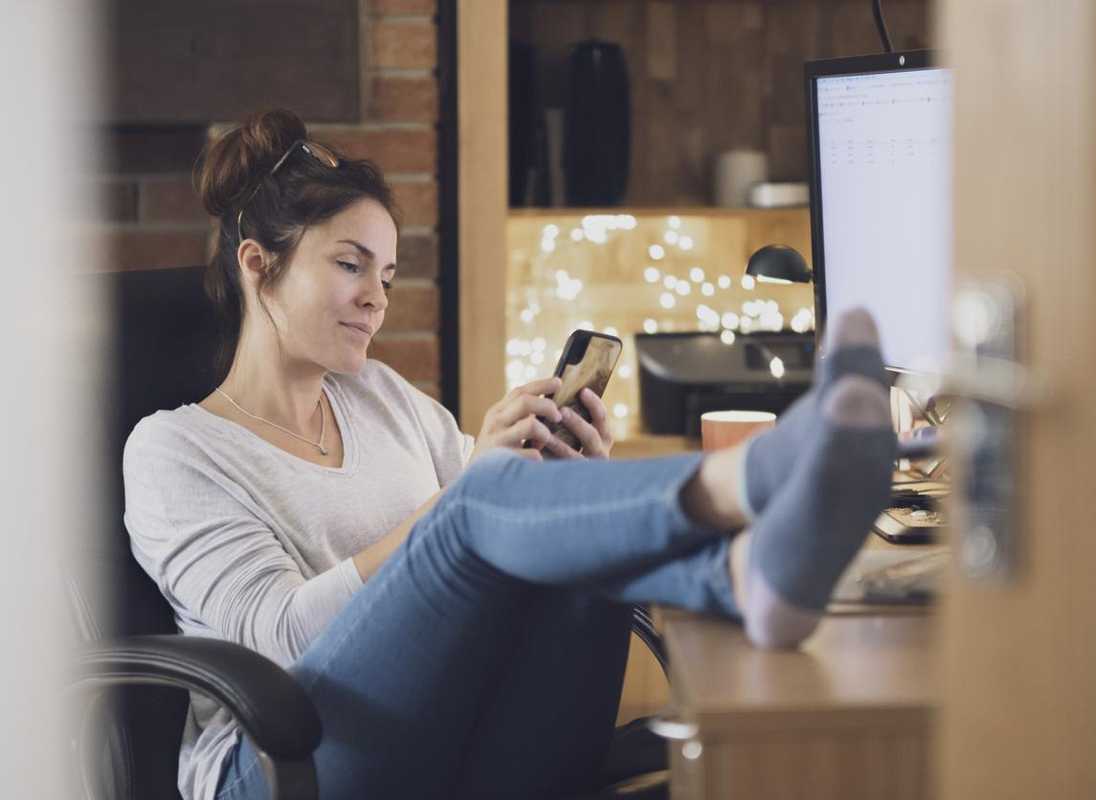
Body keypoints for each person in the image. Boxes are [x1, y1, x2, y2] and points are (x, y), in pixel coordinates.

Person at [123, 109, 897, 800]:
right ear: (259, 265)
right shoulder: (176, 449)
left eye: (388, 277)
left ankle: (744, 574)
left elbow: (504, 535)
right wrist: (461, 503)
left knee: (558, 532)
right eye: (350, 265)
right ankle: (759, 477)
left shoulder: (385, 399)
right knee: (479, 505)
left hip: (453, 731)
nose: (376, 299)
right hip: (281, 764)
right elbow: (277, 641)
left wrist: (566, 479)